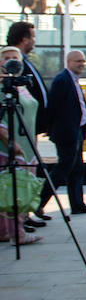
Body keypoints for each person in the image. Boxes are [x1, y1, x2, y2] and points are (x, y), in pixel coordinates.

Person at [36, 50, 86, 216]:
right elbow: (53, 108)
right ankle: (39, 202)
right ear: (69, 62)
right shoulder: (62, 80)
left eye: (83, 61)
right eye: (78, 61)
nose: (82, 64)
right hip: (66, 134)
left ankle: (77, 204)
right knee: (62, 170)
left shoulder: (73, 80)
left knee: (77, 170)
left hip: (76, 132)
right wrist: (54, 131)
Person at [0, 46, 43, 244]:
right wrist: (10, 141)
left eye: (14, 58)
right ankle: (16, 233)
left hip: (27, 144)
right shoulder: (2, 88)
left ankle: (8, 230)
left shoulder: (21, 85)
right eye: (7, 58)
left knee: (23, 188)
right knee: (13, 190)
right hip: (10, 146)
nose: (11, 62)